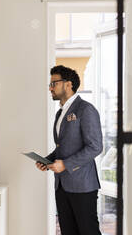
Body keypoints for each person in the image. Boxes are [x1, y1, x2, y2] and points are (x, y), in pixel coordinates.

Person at [36, 65, 103, 235]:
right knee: (68, 231)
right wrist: (47, 160)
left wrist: (65, 164)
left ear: (68, 84)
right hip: (61, 185)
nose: (50, 88)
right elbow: (62, 148)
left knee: (88, 231)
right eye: (50, 84)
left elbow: (95, 146)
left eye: (54, 83)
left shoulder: (85, 110)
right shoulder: (60, 114)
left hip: (83, 185)